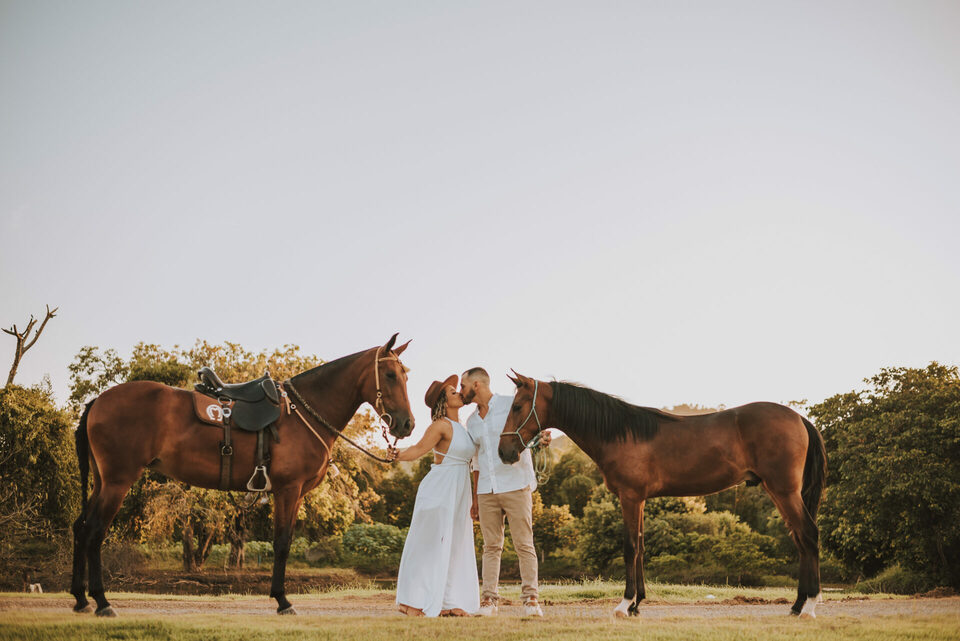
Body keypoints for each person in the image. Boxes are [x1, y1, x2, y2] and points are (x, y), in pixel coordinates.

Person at [460, 367, 551, 618]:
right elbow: (476, 460)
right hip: (487, 490)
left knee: (524, 544)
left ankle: (531, 600)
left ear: (476, 384)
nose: (461, 391)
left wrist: (542, 437)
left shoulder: (511, 405)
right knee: (491, 546)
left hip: (516, 485)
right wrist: (476, 497)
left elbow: (534, 428)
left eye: (463, 385)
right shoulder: (471, 421)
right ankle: (489, 601)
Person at [392, 375, 480, 617]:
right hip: (440, 488)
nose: (459, 394)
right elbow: (418, 450)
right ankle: (411, 602)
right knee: (429, 544)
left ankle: (449, 601)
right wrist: (396, 454)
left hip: (460, 489)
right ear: (444, 401)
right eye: (453, 392)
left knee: (455, 543)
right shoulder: (440, 425)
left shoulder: (463, 427)